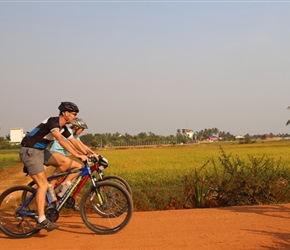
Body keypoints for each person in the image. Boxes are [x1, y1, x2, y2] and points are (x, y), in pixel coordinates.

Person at [19, 101, 91, 232]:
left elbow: (73, 141)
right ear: (66, 113)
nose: (75, 117)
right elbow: (61, 140)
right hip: (30, 151)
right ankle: (41, 219)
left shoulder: (63, 127)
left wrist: (90, 154)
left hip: (41, 151)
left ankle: (53, 187)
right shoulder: (53, 122)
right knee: (42, 185)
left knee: (68, 163)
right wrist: (77, 154)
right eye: (74, 114)